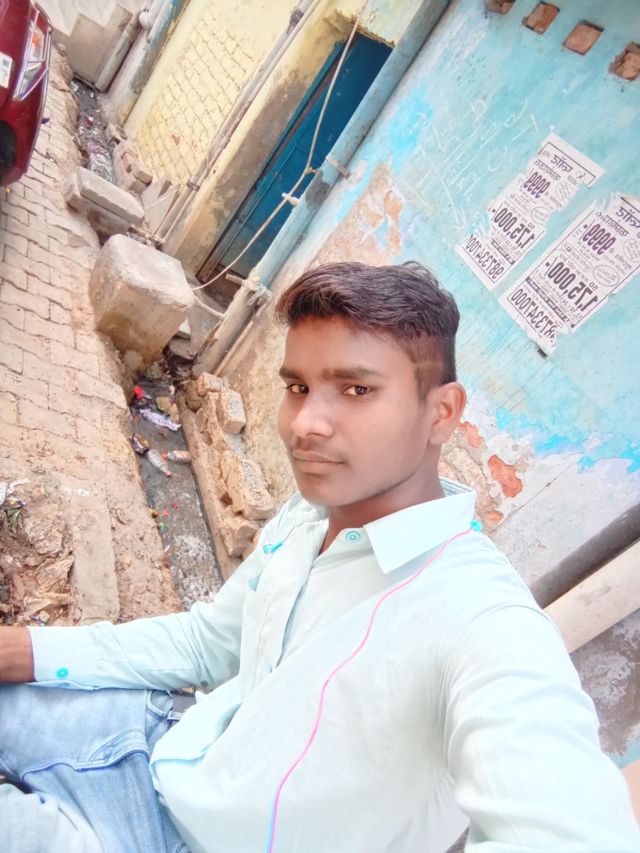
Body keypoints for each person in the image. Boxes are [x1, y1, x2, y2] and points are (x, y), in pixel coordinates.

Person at [0, 262, 638, 853]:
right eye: (298, 387)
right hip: (161, 744)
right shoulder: (308, 517)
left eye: (356, 389)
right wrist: (26, 649)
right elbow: (204, 644)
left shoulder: (480, 619)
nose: (305, 422)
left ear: (441, 412)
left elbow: (567, 832)